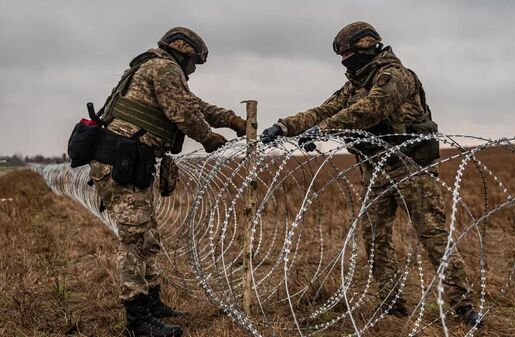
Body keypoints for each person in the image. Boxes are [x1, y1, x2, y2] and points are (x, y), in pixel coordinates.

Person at [261, 22, 482, 326]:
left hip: (410, 170)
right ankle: (391, 302)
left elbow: (371, 109)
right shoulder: (356, 83)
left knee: (433, 237)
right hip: (375, 170)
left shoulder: (394, 76)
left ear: (366, 47)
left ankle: (463, 306)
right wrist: (284, 126)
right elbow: (323, 110)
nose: (344, 61)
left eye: (348, 54)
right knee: (376, 239)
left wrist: (324, 130)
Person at [89, 27, 247, 337]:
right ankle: (138, 321)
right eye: (194, 63)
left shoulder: (156, 67)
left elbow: (194, 105)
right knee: (134, 240)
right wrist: (210, 138)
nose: (193, 70)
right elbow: (184, 114)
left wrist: (231, 119)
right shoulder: (164, 68)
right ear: (184, 53)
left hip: (132, 164)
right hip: (120, 164)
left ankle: (152, 304)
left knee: (147, 235)